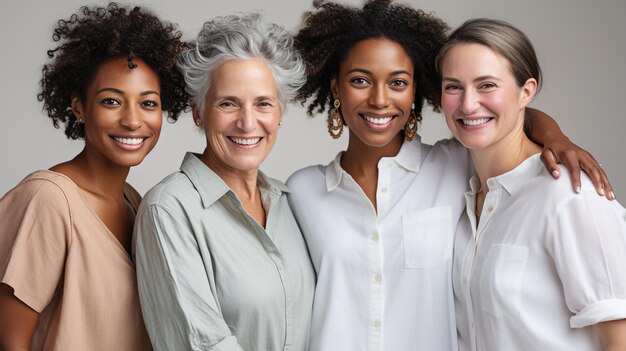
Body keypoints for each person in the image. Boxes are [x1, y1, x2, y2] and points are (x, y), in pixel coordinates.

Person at [286, 0, 613, 350]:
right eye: (360, 80)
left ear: (415, 91)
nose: (379, 99)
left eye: (398, 82)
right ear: (336, 88)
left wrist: (556, 138)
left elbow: (503, 117)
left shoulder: (454, 163)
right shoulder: (302, 192)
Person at [0, 3, 188, 351]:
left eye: (148, 103)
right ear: (79, 108)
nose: (133, 121)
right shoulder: (49, 199)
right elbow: (10, 342)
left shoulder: (136, 202)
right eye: (112, 101)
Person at [436, 18, 626, 350]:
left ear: (527, 91)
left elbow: (620, 338)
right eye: (453, 86)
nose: (467, 104)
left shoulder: (570, 195)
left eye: (487, 85)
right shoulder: (457, 189)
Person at [133, 13, 316, 351]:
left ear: (279, 113)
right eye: (228, 103)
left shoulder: (293, 202)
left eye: (263, 103)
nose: (248, 123)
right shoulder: (169, 210)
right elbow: (202, 344)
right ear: (198, 112)